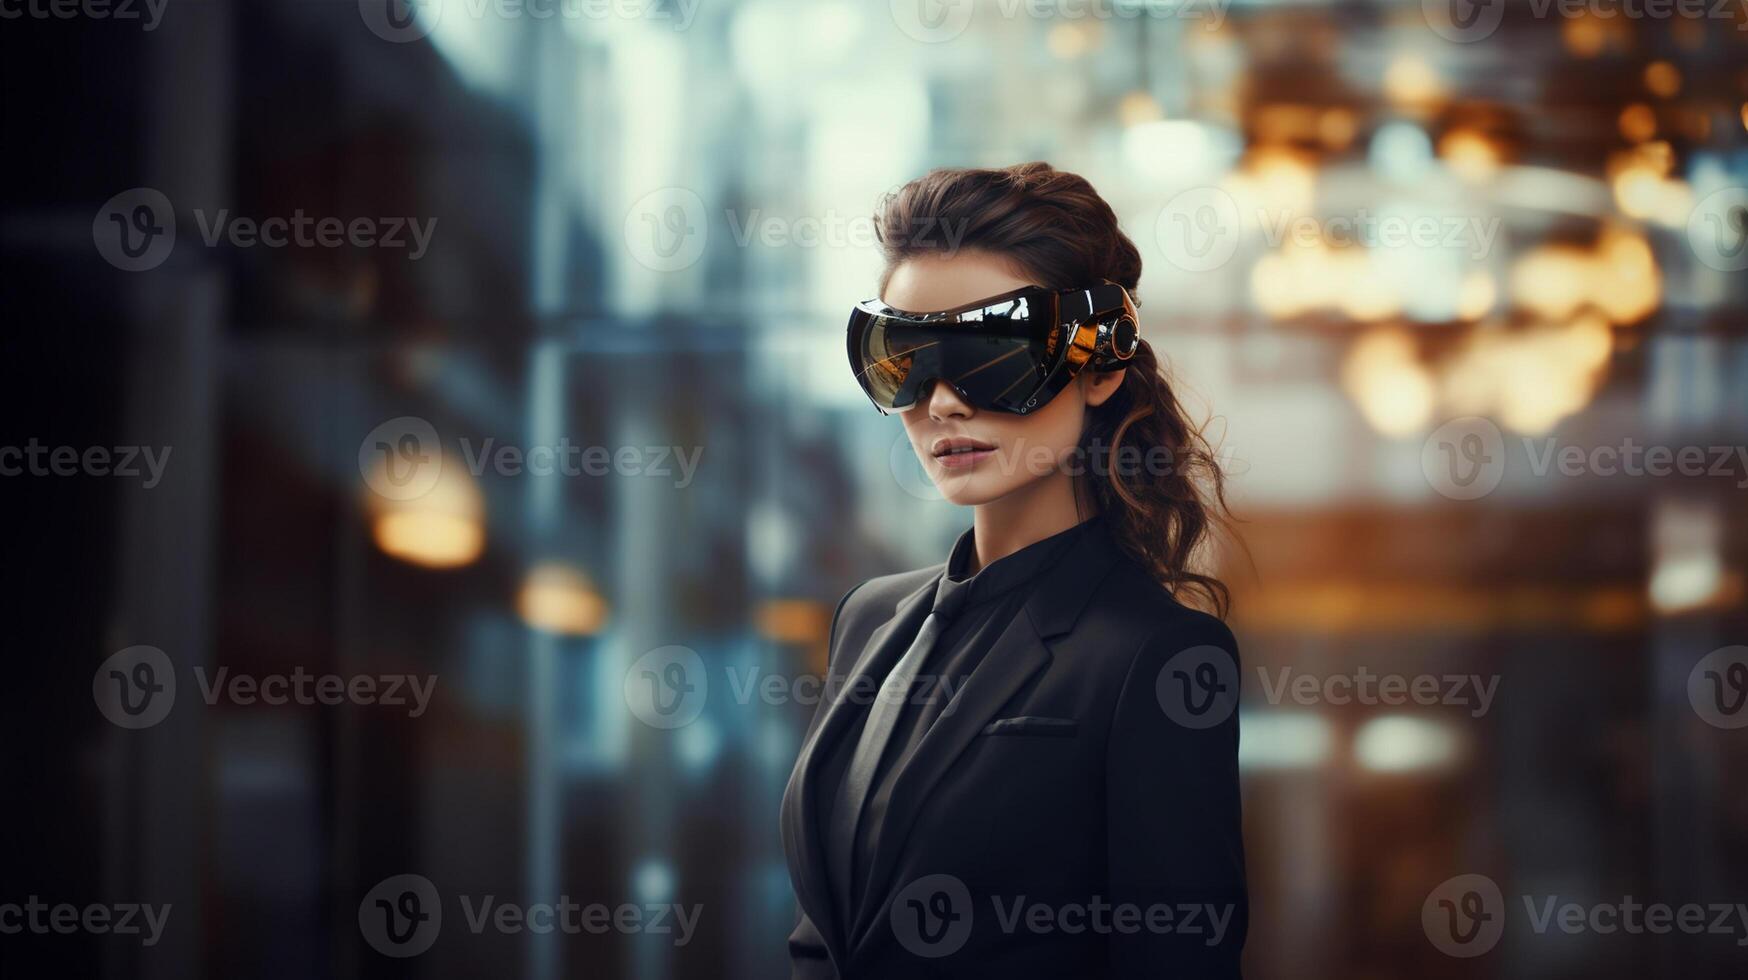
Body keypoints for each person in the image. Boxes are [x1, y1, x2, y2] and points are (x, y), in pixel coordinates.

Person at [780, 162, 1248, 979]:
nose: (943, 403)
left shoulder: (1156, 656)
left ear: (1100, 363)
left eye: (991, 352)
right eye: (906, 358)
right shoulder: (868, 618)